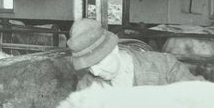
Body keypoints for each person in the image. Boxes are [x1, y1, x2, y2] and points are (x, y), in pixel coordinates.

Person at [67, 17, 198, 89]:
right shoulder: (87, 85)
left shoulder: (165, 67)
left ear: (114, 49)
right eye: (89, 66)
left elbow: (199, 99)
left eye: (98, 62)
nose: (95, 72)